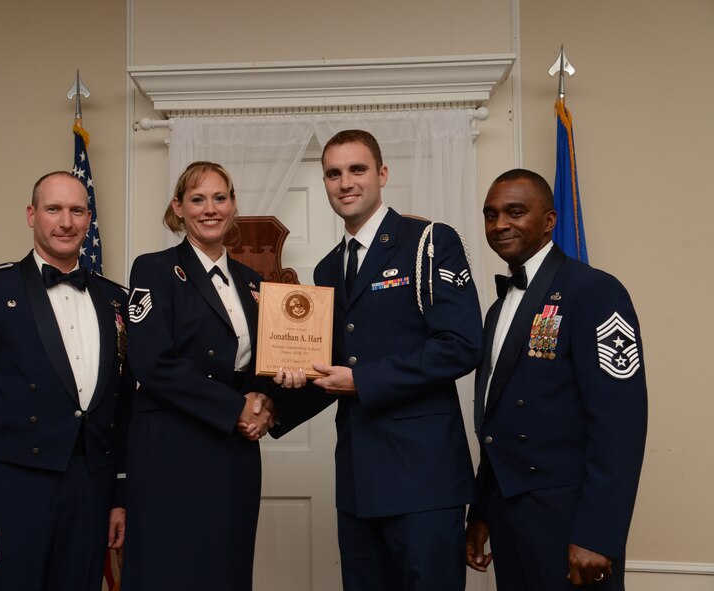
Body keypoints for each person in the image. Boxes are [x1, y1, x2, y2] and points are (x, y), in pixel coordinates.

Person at [273, 130, 483, 590]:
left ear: (382, 174)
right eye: (333, 173)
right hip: (357, 481)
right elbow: (332, 365)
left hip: (423, 477)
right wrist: (272, 401)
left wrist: (362, 381)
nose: (345, 182)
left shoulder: (428, 242)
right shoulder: (328, 268)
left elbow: (461, 344)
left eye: (357, 169)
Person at [0, 171, 133, 590]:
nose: (66, 222)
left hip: (90, 490)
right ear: (31, 215)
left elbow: (122, 407)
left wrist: (119, 495)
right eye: (53, 209)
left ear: (89, 218)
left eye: (77, 210)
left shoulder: (115, 298)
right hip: (13, 491)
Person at [465, 169, 647, 589]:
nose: (500, 224)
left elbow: (620, 425)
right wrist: (482, 513)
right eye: (491, 215)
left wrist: (597, 533)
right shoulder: (496, 310)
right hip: (508, 514)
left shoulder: (595, 291)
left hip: (569, 519)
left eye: (515, 212)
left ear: (549, 220)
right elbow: (496, 421)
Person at [121, 161, 276, 591]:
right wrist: (235, 407)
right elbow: (151, 362)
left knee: (226, 568)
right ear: (179, 208)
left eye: (220, 198)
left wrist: (264, 401)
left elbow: (262, 363)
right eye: (198, 199)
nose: (211, 209)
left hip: (234, 447)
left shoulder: (252, 282)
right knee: (170, 568)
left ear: (233, 205)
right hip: (172, 446)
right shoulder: (153, 269)